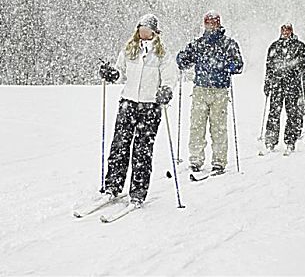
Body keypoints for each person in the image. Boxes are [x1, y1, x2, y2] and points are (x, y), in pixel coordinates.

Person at [98, 14, 176, 208]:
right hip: (128, 103)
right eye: (141, 29)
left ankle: (138, 192)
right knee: (119, 146)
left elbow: (169, 78)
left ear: (154, 32)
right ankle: (112, 186)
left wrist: (166, 90)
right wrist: (111, 73)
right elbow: (119, 72)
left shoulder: (162, 54)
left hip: (150, 106)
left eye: (147, 30)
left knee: (142, 150)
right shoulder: (129, 49)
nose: (143, 33)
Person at [176, 11, 243, 174]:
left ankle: (219, 161)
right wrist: (182, 59)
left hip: (220, 90)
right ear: (204, 24)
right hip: (200, 89)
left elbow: (239, 64)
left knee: (218, 127)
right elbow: (184, 60)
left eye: (214, 23)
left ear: (219, 24)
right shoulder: (198, 44)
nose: (211, 26)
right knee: (197, 126)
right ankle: (195, 159)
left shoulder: (228, 44)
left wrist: (231, 67)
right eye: (208, 23)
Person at [262, 23, 305, 156]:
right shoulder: (275, 46)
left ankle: (290, 140)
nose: (285, 33)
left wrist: (299, 70)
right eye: (283, 31)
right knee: (274, 112)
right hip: (277, 83)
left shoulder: (299, 46)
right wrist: (267, 83)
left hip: (292, 84)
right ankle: (270, 140)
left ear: (292, 32)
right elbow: (269, 66)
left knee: (292, 113)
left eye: (288, 31)